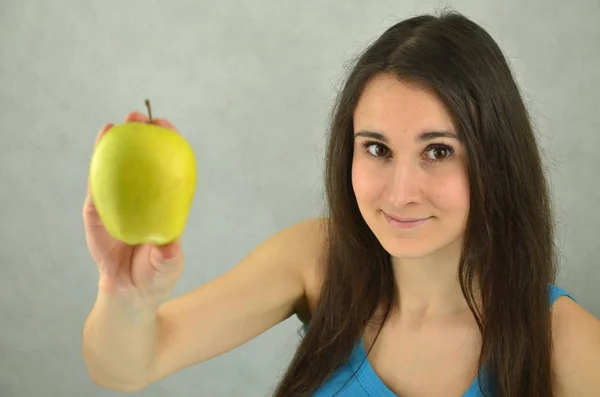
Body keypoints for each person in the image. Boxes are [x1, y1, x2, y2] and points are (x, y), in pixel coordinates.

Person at [81, 10, 600, 397]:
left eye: (438, 151)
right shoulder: (317, 261)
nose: (400, 192)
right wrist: (127, 296)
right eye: (376, 149)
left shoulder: (564, 340)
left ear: (496, 158)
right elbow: (124, 368)